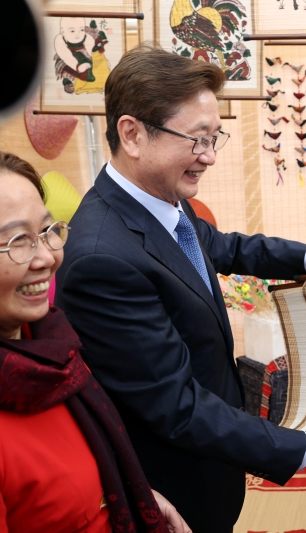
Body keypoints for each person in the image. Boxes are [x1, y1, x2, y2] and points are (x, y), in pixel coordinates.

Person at [55, 45, 306, 533]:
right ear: (132, 134)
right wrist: (298, 449)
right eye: (197, 140)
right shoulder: (101, 259)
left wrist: (304, 257)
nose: (210, 157)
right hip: (173, 488)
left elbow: (223, 245)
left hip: (212, 462)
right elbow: (177, 406)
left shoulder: (160, 200)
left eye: (214, 138)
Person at [0, 151, 190, 533]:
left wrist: (140, 495)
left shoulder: (53, 350)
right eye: (17, 241)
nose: (46, 257)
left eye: (47, 231)